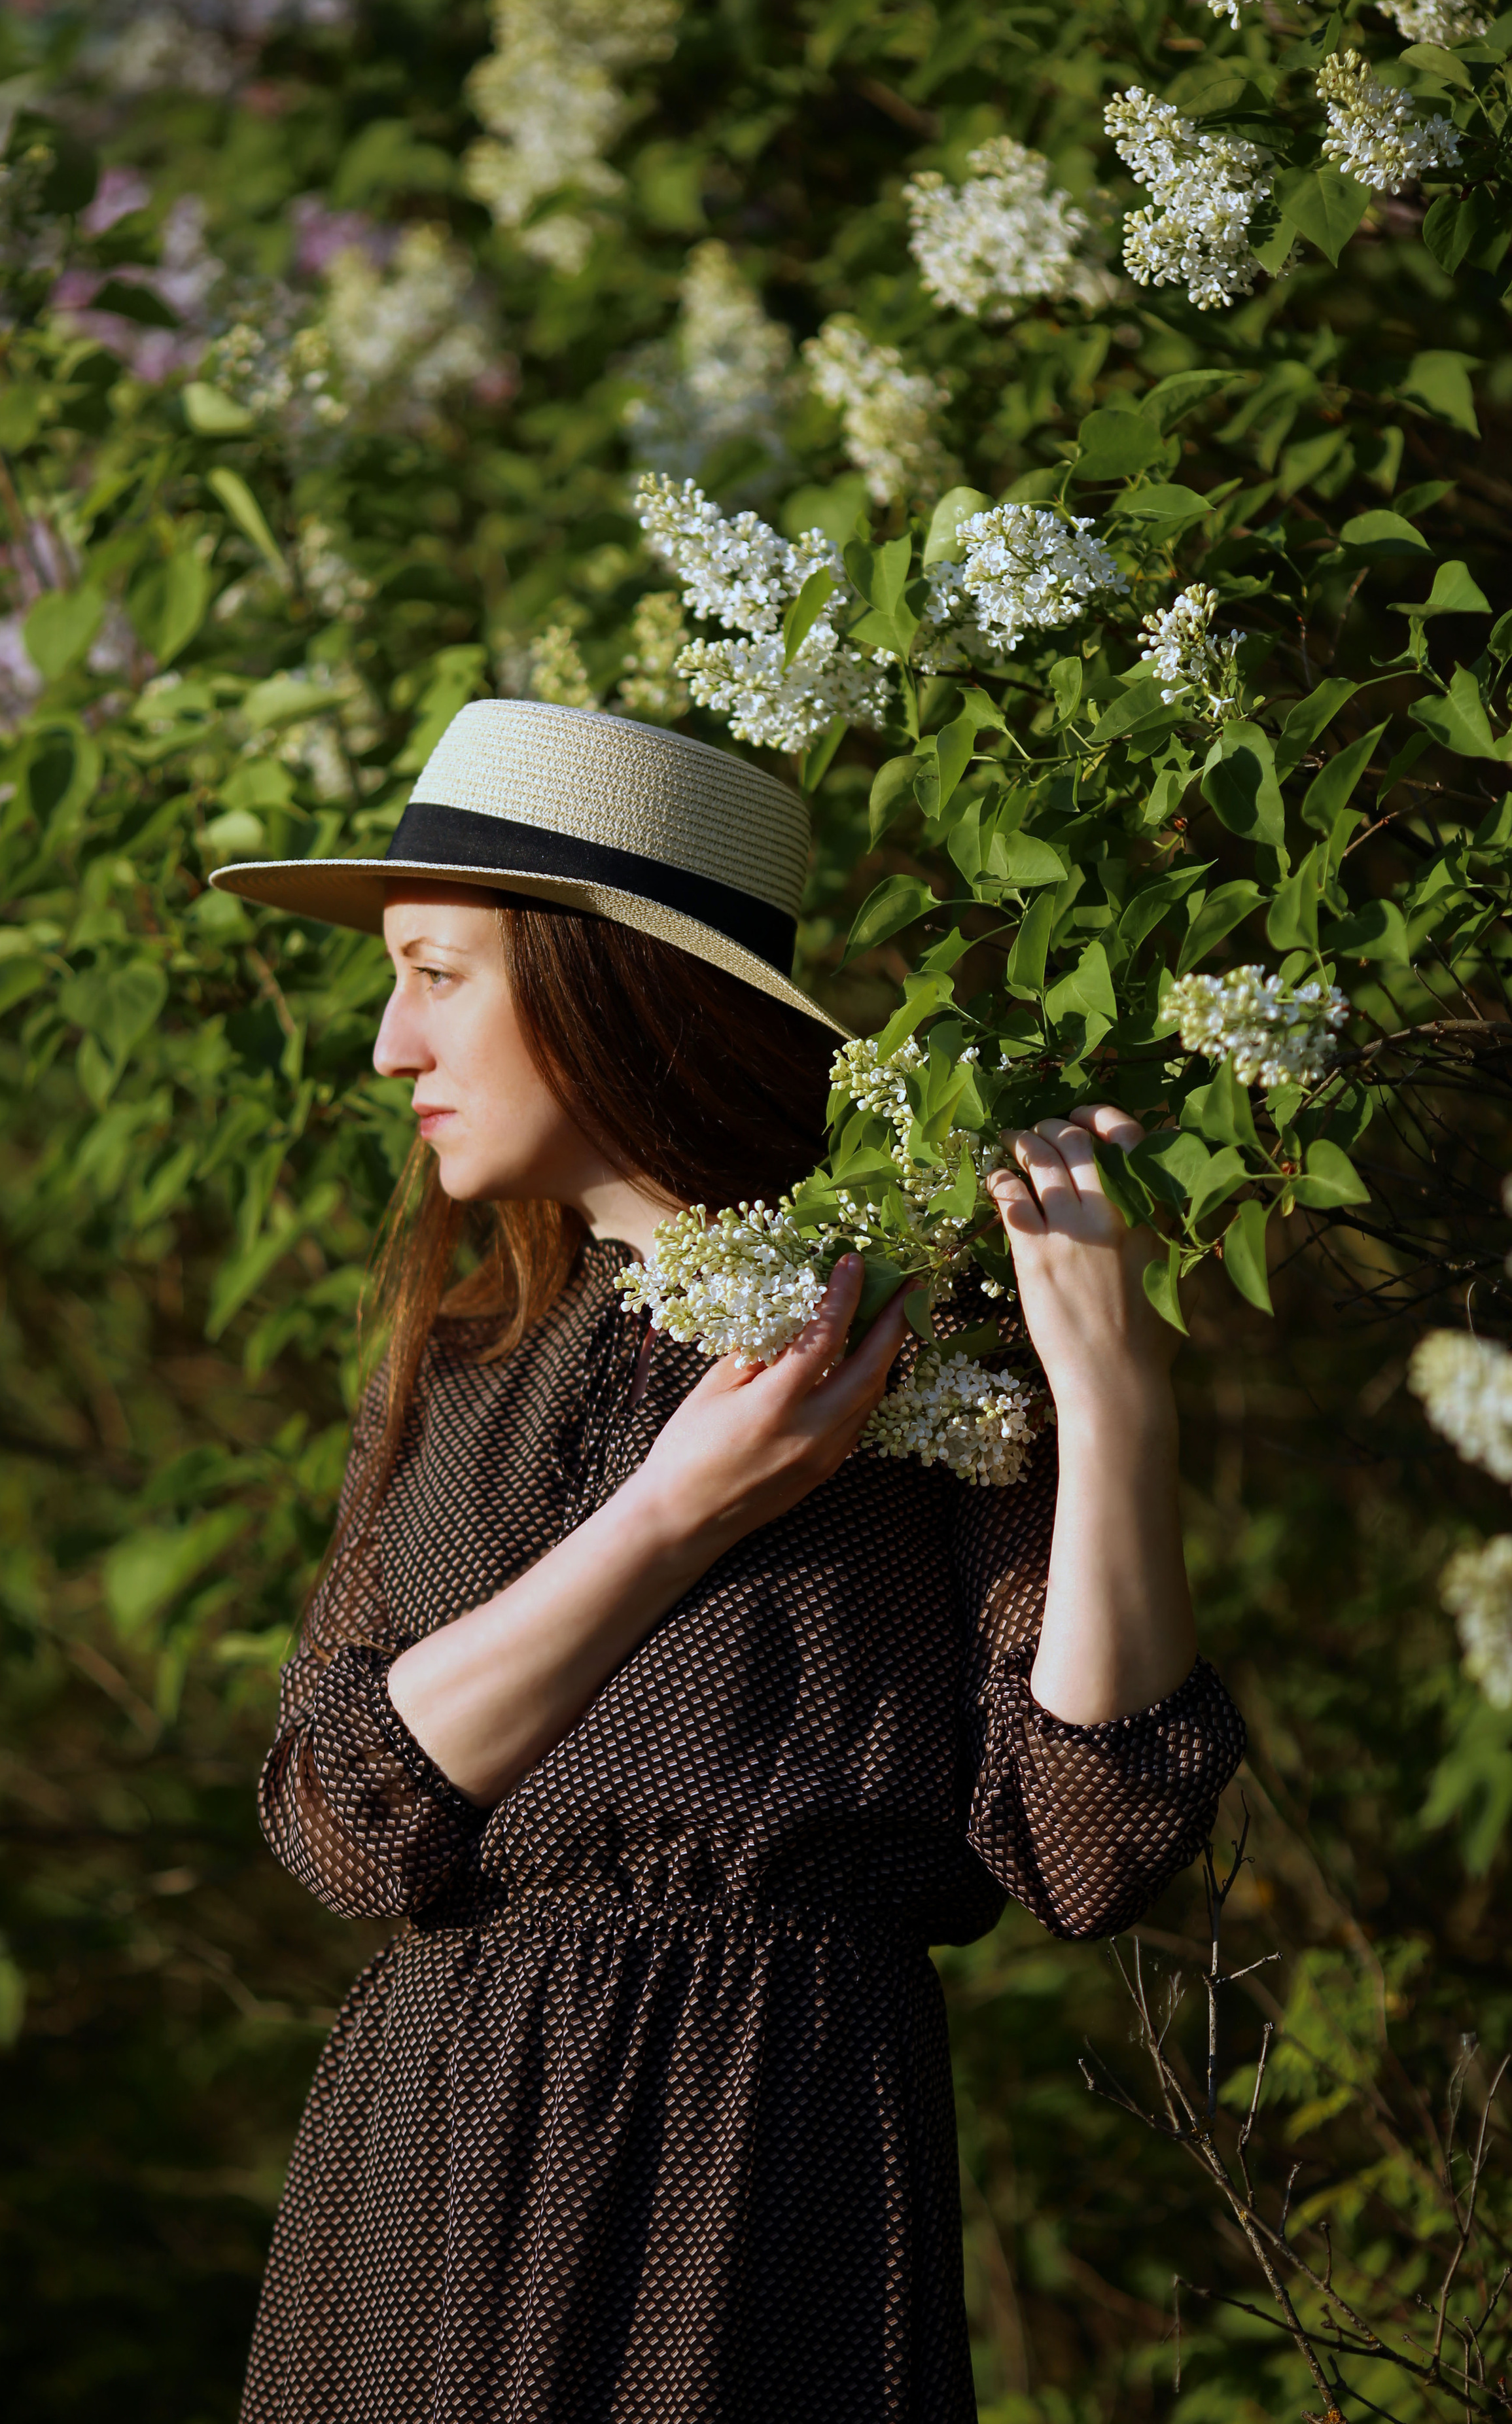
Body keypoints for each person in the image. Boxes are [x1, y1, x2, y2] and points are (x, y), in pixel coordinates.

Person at [209, 699, 1245, 2424]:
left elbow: (1088, 1835)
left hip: (761, 2150)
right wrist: (682, 1506)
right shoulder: (456, 1360)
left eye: (436, 974)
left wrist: (1115, 1387)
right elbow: (339, 1811)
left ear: (599, 985)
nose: (390, 1046)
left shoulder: (921, 1330)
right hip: (427, 2156)